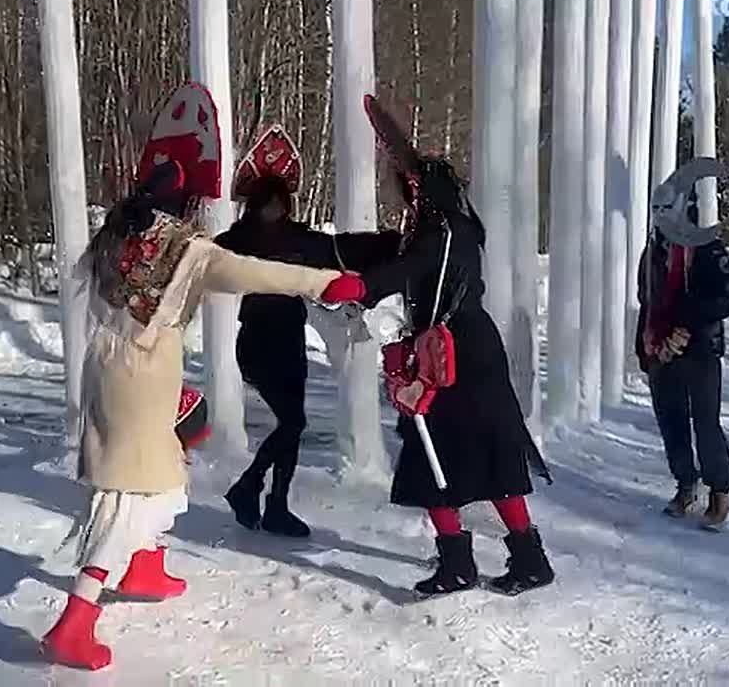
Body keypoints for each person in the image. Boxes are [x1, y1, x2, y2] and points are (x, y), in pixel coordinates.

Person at [39, 162, 363, 670]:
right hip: (144, 374)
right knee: (132, 495)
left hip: (106, 364)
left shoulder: (116, 231)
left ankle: (145, 566)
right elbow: (255, 271)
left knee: (167, 465)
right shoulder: (188, 252)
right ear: (186, 206)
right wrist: (325, 284)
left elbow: (92, 283)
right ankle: (74, 622)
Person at [335, 154, 555, 597]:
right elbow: (401, 259)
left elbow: (410, 266)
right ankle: (529, 560)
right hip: (469, 346)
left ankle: (458, 565)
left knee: (429, 454)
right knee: (490, 452)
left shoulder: (441, 231)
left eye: (404, 187)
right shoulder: (458, 224)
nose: (401, 196)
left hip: (451, 353)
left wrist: (364, 287)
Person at [215, 174, 397, 537]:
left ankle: (276, 504)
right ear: (256, 205)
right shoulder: (237, 239)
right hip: (257, 341)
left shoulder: (297, 237)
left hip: (289, 339)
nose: (275, 210)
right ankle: (249, 488)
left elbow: (339, 248)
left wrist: (390, 243)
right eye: (269, 203)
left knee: (292, 424)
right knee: (293, 423)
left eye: (280, 203)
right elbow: (203, 258)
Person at [634, 186, 729, 531]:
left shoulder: (708, 249)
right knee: (671, 420)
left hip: (700, 347)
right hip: (662, 350)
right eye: (657, 210)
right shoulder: (652, 252)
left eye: (667, 209)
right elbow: (646, 300)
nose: (661, 217)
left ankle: (719, 492)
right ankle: (685, 484)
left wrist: (685, 319)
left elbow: (724, 300)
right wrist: (644, 346)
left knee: (705, 422)